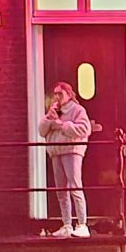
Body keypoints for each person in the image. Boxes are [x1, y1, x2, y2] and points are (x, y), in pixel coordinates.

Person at [38, 81, 92, 238]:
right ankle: (67, 224)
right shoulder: (54, 110)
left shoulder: (77, 110)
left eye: (60, 93)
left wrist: (61, 125)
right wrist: (49, 119)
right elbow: (42, 131)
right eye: (55, 93)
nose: (57, 96)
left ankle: (82, 224)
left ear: (69, 94)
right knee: (61, 190)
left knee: (75, 186)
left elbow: (84, 129)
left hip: (71, 151)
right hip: (56, 152)